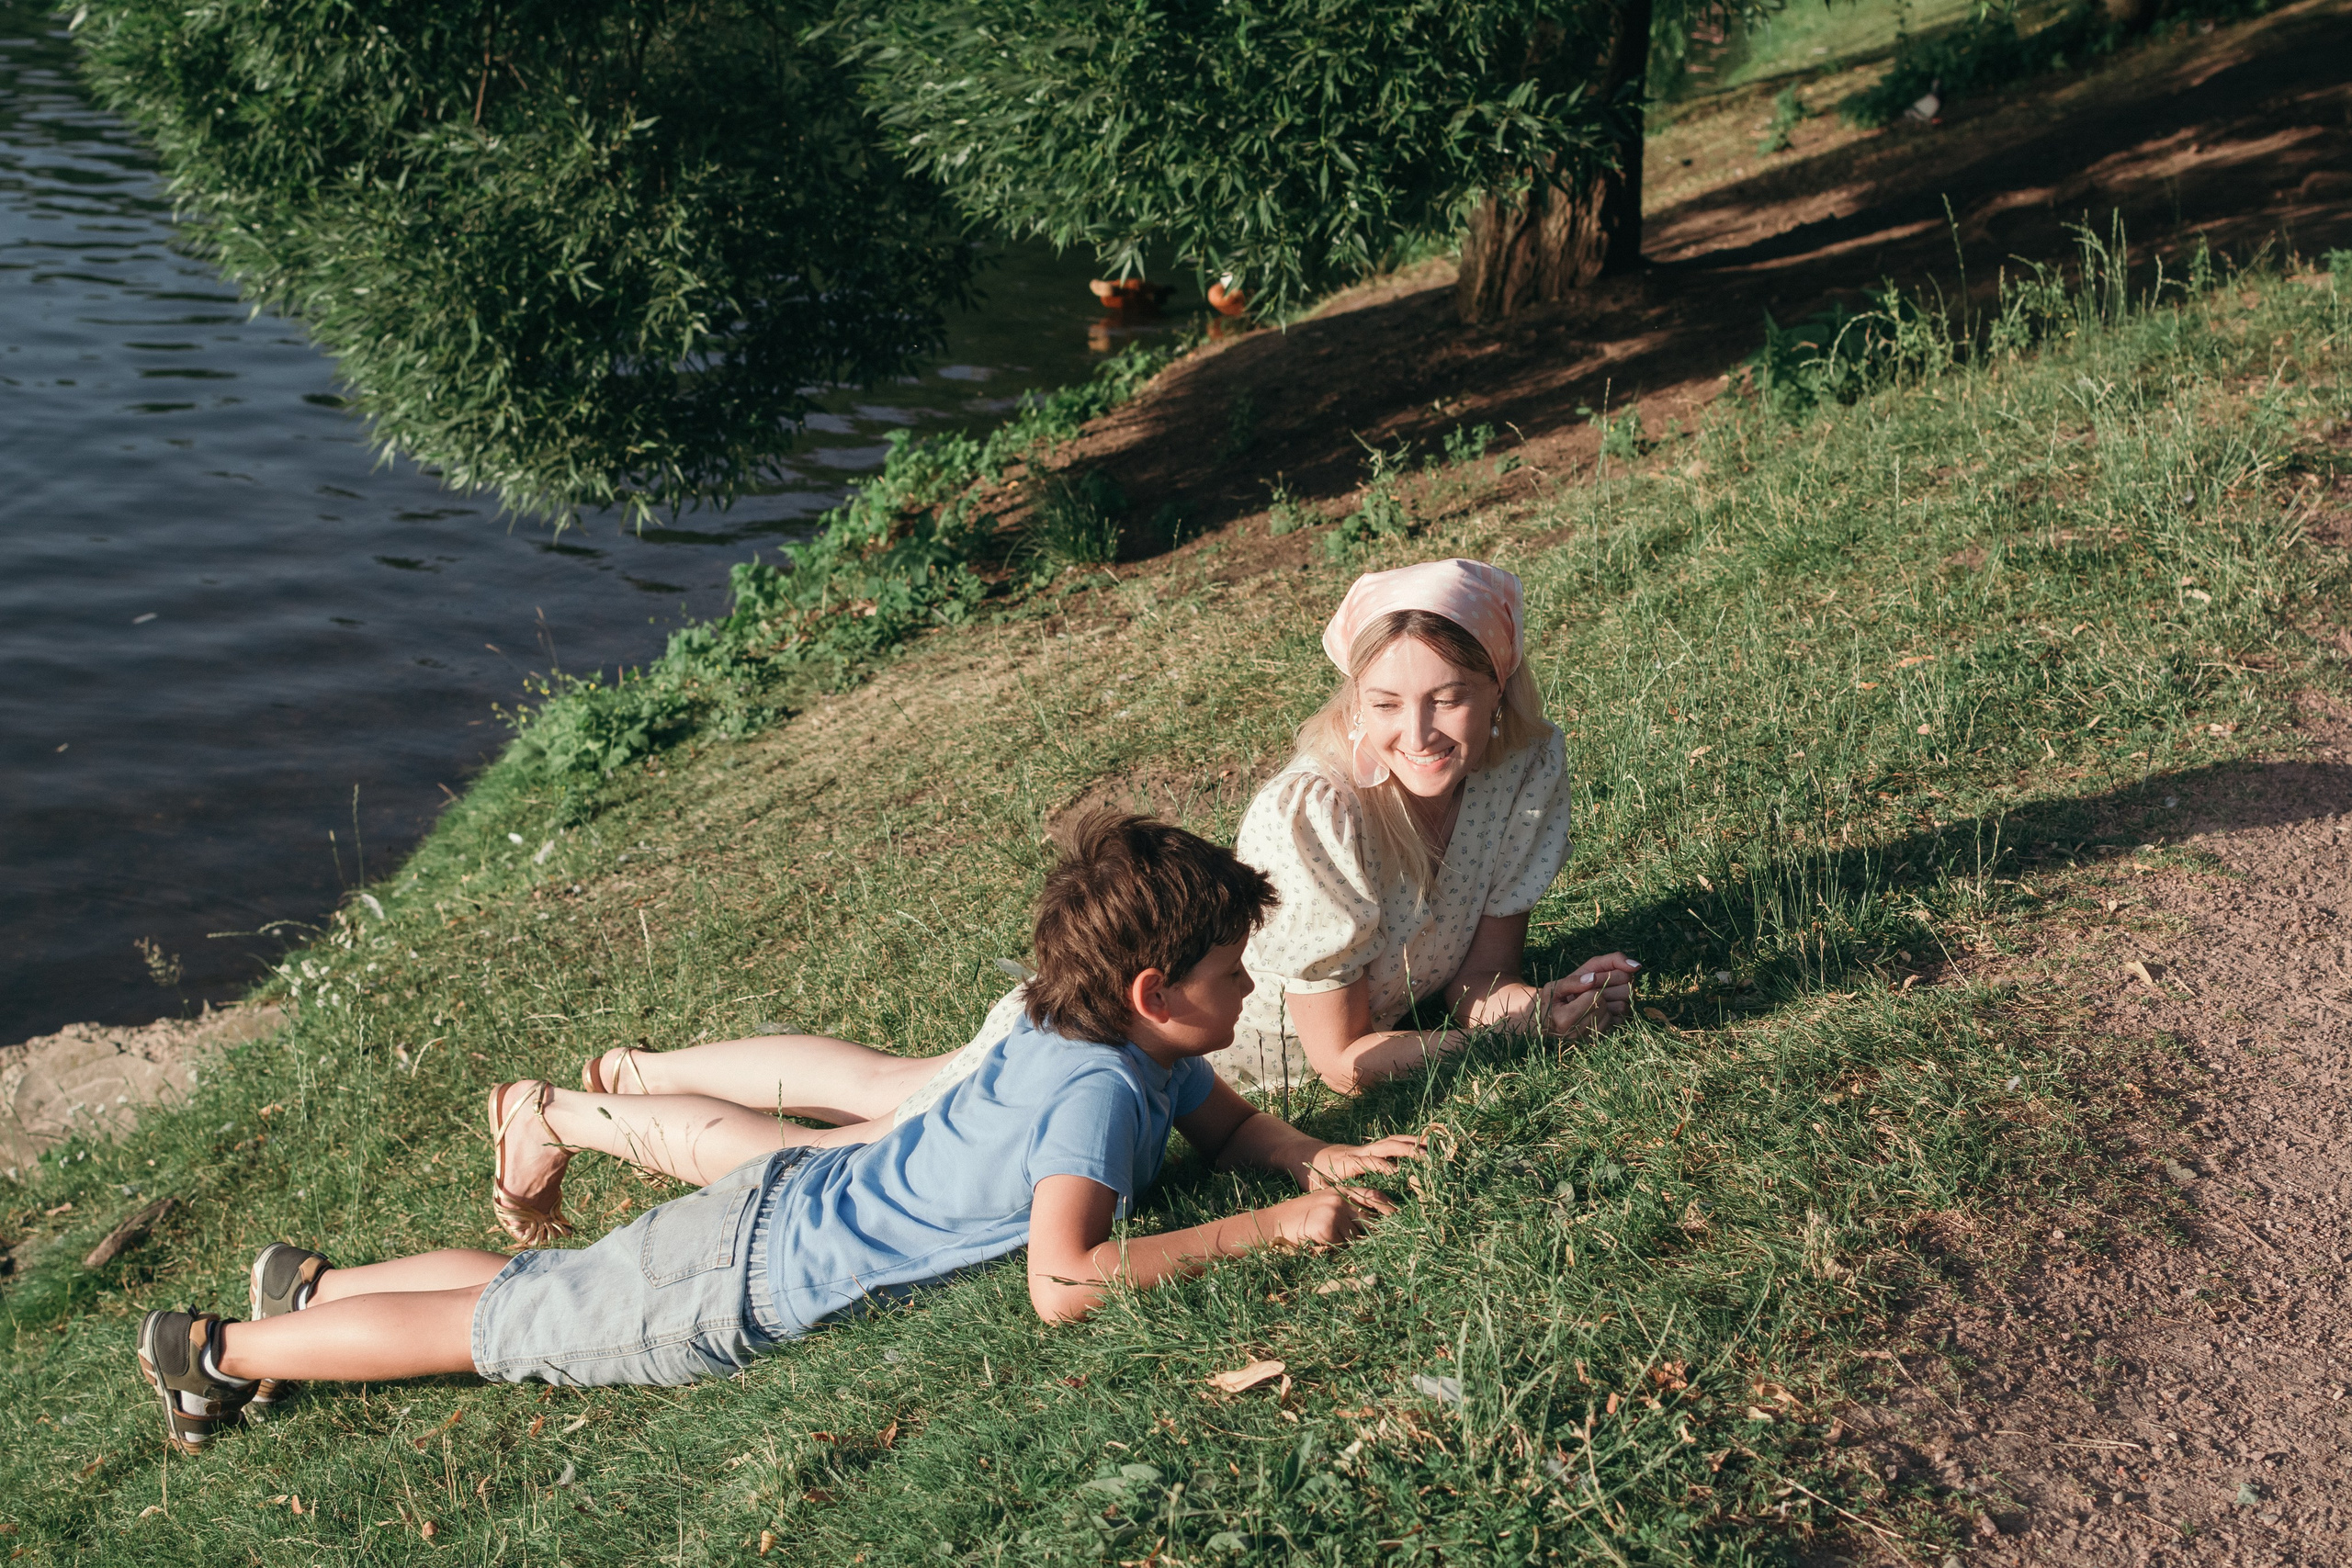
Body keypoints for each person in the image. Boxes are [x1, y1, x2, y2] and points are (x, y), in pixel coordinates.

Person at [135, 817, 1423, 1451]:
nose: (1248, 989)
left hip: (783, 1205)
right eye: (1230, 970)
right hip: (742, 1278)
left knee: (543, 1289)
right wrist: (1273, 1224)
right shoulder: (1093, 1093)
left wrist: (1312, 1155)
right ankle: (222, 1349)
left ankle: (312, 1289)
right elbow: (1066, 1280)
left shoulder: (1090, 1034)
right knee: (494, 1332)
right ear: (1154, 993)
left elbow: (1225, 1113)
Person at [501, 558, 1633, 1231]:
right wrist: (1510, 1043)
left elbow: (1477, 981)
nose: (1416, 732)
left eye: (1450, 697)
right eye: (1383, 701)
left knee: (888, 1082)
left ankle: (636, 1070)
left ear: (1500, 685)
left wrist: (1538, 1007)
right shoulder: (1321, 810)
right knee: (840, 1157)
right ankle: (561, 1113)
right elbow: (1342, 1063)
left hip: (1179, 1059)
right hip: (1142, 1051)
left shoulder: (1523, 767)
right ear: (1350, 696)